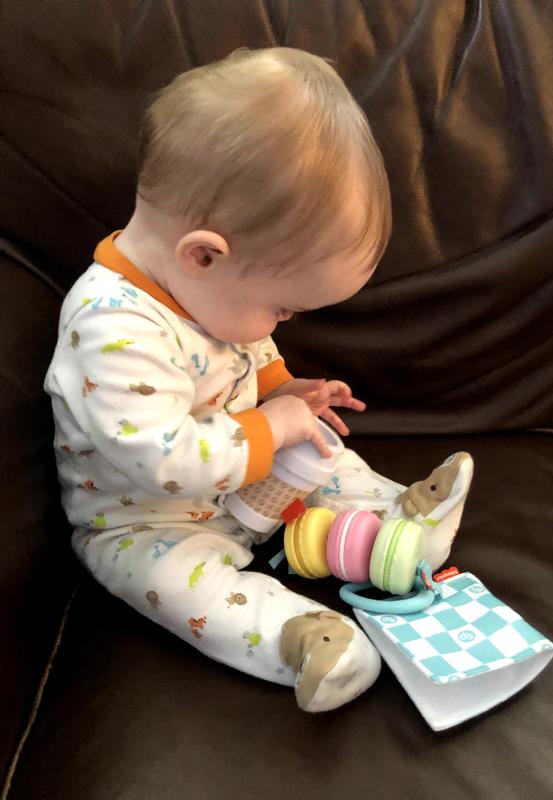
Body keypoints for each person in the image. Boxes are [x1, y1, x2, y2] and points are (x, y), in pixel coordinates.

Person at [44, 47, 473, 713]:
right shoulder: (111, 329)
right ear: (205, 255)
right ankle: (299, 641)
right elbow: (166, 461)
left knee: (326, 452)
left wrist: (283, 390)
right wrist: (271, 427)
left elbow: (245, 346)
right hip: (149, 521)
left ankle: (402, 522)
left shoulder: (200, 286)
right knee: (183, 585)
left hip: (247, 480)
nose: (281, 321)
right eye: (283, 307)